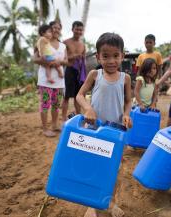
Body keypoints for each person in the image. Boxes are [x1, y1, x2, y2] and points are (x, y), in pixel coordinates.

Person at [76, 32, 132, 217]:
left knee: (113, 171)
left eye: (116, 56)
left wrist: (126, 115)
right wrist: (87, 109)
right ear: (98, 57)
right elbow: (79, 95)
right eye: (105, 56)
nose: (111, 60)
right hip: (93, 130)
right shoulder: (95, 74)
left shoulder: (125, 78)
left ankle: (110, 202)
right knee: (93, 167)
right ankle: (92, 204)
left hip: (115, 133)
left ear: (122, 56)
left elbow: (128, 102)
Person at [34, 20, 67, 137]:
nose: (56, 30)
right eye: (54, 27)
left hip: (59, 80)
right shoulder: (43, 42)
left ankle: (54, 125)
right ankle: (45, 128)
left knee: (56, 104)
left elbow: (66, 61)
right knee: (45, 104)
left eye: (59, 28)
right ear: (49, 29)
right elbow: (35, 59)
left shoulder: (63, 46)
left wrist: (59, 61)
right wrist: (48, 62)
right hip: (46, 80)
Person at [62, 21, 86, 121]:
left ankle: (78, 116)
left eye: (80, 30)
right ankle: (63, 118)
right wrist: (74, 56)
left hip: (79, 72)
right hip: (69, 70)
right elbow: (63, 58)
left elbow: (84, 60)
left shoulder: (83, 45)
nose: (78, 31)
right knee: (66, 96)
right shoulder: (65, 42)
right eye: (77, 29)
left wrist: (83, 75)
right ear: (72, 29)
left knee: (78, 96)